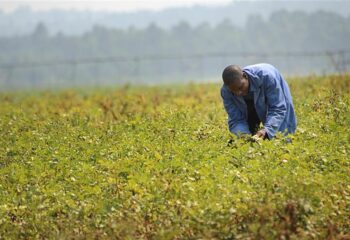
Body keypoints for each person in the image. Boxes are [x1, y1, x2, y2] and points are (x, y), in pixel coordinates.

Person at [220, 63, 297, 139]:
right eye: (234, 90)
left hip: (272, 90)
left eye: (240, 87)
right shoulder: (226, 91)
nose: (238, 93)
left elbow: (277, 108)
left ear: (245, 76)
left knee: (282, 134)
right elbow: (236, 118)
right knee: (246, 138)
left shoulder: (267, 77)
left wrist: (267, 130)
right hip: (247, 105)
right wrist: (243, 135)